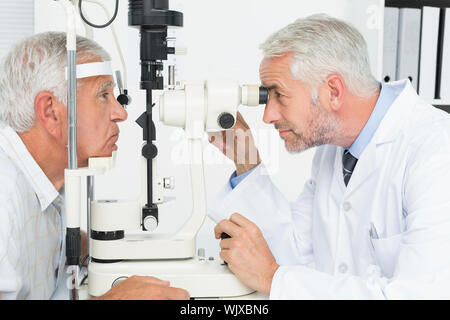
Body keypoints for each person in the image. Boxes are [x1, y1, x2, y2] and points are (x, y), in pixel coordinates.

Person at [208, 14, 450, 299]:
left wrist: (273, 279)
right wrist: (245, 157)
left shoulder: (435, 150)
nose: (267, 115)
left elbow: (418, 295)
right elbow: (291, 250)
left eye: (279, 95)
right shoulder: (334, 149)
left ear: (333, 91)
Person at [0, 31, 189, 300]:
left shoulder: (55, 183)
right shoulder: (4, 199)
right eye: (103, 95)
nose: (121, 113)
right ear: (51, 111)